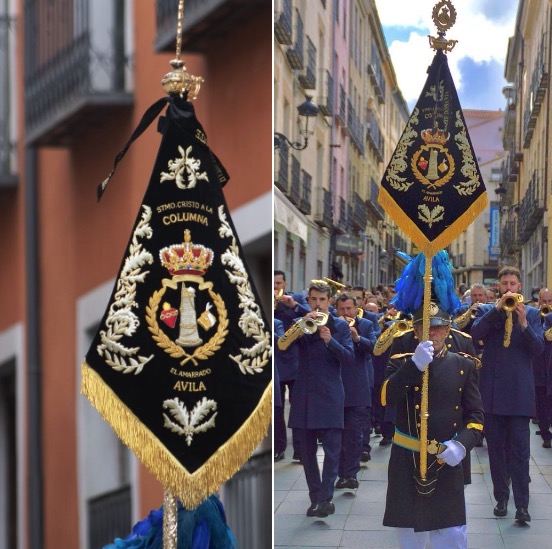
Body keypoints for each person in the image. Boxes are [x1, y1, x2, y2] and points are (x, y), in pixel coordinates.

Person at [382, 303, 484, 548]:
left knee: (450, 534)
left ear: (448, 330)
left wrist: (461, 445)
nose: (432, 334)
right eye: (425, 328)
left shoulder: (464, 365)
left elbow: (476, 416)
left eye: (438, 328)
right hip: (407, 459)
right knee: (409, 534)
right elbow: (387, 397)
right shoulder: (400, 362)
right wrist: (413, 366)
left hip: (444, 460)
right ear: (416, 331)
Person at [471, 266, 544, 523]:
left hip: (520, 395)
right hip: (492, 393)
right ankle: (501, 497)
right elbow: (475, 334)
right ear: (498, 287)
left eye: (513, 283)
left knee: (521, 453)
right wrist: (497, 310)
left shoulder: (533, 314)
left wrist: (523, 323)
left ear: (520, 286)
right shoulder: (486, 311)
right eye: (505, 283)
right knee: (496, 452)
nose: (509, 288)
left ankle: (522, 505)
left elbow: (538, 349)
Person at [281, 282, 354, 518]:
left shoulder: (340, 326)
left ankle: (326, 498)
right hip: (304, 395)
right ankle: (316, 499)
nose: (318, 304)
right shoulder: (300, 325)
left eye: (322, 300)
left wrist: (329, 340)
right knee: (307, 454)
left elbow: (349, 359)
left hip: (331, 395)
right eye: (314, 299)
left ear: (329, 302)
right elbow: (282, 347)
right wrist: (300, 327)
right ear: (308, 300)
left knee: (332, 452)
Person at [334, 293, 376, 488]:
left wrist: (357, 338)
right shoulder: (331, 325)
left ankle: (351, 474)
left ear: (356, 308)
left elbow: (374, 348)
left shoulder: (366, 325)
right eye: (342, 309)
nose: (346, 313)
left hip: (358, 387)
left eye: (349, 308)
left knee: (354, 435)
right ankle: (340, 473)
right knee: (337, 436)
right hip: (336, 387)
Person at [273, 269, 310, 462]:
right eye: (272, 284)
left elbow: (313, 316)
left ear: (285, 284)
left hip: (295, 361)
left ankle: (299, 449)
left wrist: (294, 305)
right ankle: (278, 447)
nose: (275, 287)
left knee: (297, 408)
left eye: (278, 284)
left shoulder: (295, 299)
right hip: (276, 364)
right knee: (277, 409)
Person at [533, 288, 552, 448]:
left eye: (550, 301)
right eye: (544, 301)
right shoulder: (534, 317)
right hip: (539, 368)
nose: (547, 304)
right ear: (539, 301)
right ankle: (545, 433)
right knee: (542, 405)